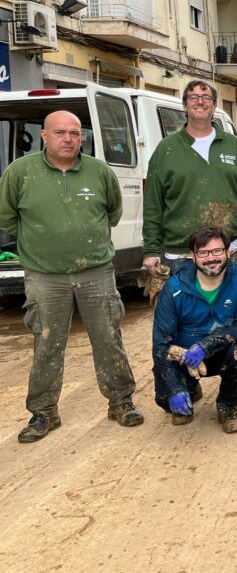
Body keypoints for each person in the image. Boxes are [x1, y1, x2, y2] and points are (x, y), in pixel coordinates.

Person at [0, 111, 143, 442]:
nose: (68, 139)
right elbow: (7, 218)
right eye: (60, 133)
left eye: (75, 133)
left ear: (83, 138)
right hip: (45, 276)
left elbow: (113, 211)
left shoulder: (98, 171)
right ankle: (44, 413)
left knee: (109, 339)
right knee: (47, 343)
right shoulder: (20, 173)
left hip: (96, 272)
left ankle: (121, 402)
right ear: (44, 137)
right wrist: (42, 243)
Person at [142, 79, 237, 404]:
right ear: (184, 105)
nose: (200, 101)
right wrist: (151, 250)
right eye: (193, 97)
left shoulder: (234, 146)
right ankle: (184, 383)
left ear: (213, 105)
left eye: (206, 97)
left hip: (233, 249)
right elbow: (153, 203)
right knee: (183, 324)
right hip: (181, 254)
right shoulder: (166, 151)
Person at [151, 227, 237, 433]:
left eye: (217, 251)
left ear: (228, 252)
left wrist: (204, 347)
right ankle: (188, 389)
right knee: (166, 398)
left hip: (220, 352)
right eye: (203, 253)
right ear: (193, 256)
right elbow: (161, 343)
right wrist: (174, 388)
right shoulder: (174, 287)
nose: (211, 258)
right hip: (183, 356)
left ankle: (227, 404)